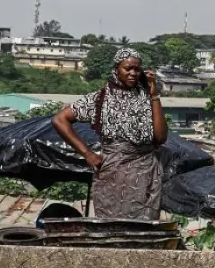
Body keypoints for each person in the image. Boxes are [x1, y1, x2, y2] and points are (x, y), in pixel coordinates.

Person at [52, 48, 168, 219]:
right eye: (127, 68)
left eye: (137, 69)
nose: (133, 73)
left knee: (144, 227)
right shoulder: (100, 99)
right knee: (113, 224)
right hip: (114, 173)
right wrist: (87, 154)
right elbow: (59, 120)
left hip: (146, 173)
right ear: (116, 69)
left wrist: (154, 95)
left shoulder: (147, 98)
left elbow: (161, 137)